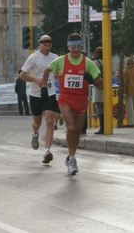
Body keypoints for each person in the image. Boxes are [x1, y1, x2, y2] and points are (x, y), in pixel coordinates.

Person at [41, 33, 102, 175]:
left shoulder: (88, 63)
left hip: (81, 99)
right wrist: (44, 87)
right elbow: (46, 71)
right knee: (71, 126)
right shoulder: (61, 61)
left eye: (78, 47)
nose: (76, 50)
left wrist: (92, 80)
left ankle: (70, 156)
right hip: (65, 98)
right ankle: (73, 159)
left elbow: (100, 82)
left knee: (77, 132)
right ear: (68, 47)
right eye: (73, 47)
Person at [20, 34, 58, 164]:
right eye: (44, 45)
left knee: (49, 121)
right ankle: (35, 133)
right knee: (37, 123)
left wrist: (57, 75)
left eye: (49, 45)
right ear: (40, 44)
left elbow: (58, 73)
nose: (47, 48)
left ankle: (47, 151)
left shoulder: (55, 58)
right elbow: (22, 74)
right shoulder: (33, 57)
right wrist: (35, 80)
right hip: (35, 94)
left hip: (49, 92)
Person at [91, 47, 104, 134]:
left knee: (99, 107)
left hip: (98, 86)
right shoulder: (107, 61)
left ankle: (102, 128)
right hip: (106, 86)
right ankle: (106, 126)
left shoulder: (94, 63)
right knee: (105, 107)